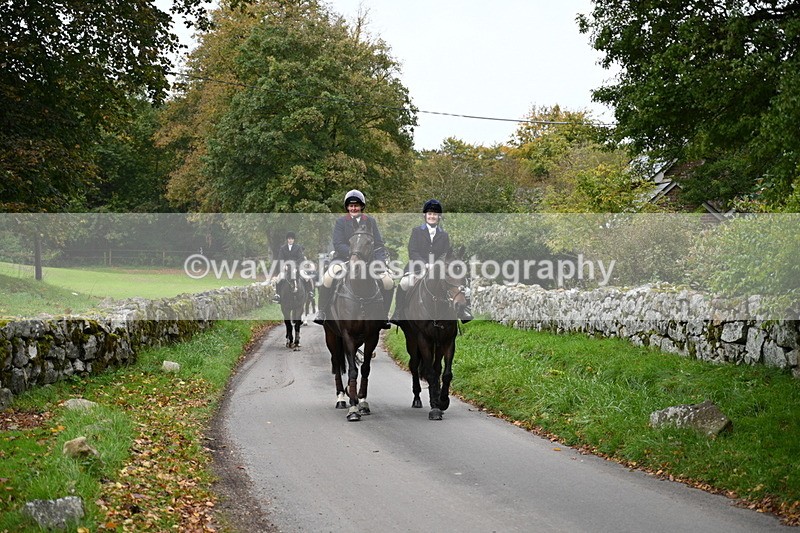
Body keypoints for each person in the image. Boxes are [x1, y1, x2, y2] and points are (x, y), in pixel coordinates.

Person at [314, 189, 394, 328]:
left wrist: (380, 261)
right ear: (347, 207)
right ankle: (322, 312)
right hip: (344, 258)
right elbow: (338, 243)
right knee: (328, 277)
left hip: (369, 260)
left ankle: (383, 315)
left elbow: (379, 244)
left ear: (361, 206)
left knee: (388, 281)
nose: (353, 208)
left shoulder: (370, 221)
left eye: (356, 205)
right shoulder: (341, 222)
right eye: (351, 206)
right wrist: (353, 255)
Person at [390, 199, 473, 324]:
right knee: (404, 283)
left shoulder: (444, 235)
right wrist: (425, 264)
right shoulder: (416, 231)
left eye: (434, 214)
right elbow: (413, 251)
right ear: (425, 215)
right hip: (417, 266)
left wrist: (436, 265)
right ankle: (398, 312)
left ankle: (463, 311)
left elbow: (445, 254)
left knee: (457, 284)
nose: (432, 216)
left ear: (438, 217)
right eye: (429, 214)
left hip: (438, 269)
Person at [272, 231, 306, 302]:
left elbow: (301, 258)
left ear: (294, 240)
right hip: (286, 268)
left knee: (307, 278)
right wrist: (284, 265)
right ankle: (277, 295)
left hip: (297, 267)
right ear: (287, 239)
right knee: (278, 279)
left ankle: (309, 293)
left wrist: (295, 266)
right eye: (289, 239)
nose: (290, 240)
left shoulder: (298, 247)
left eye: (292, 239)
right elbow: (280, 258)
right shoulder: (283, 248)